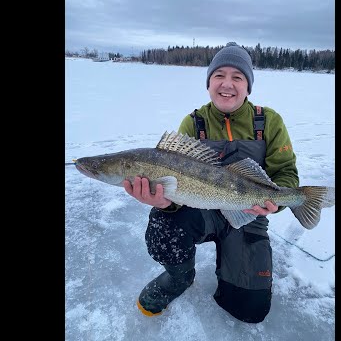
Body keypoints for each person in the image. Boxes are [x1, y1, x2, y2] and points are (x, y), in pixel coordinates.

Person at [123, 41, 299, 323]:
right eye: (219, 75)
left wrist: (274, 205)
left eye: (237, 77)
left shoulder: (268, 121)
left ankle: (235, 268)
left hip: (246, 213)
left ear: (248, 85)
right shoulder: (194, 123)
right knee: (163, 224)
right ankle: (180, 276)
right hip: (200, 210)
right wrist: (165, 204)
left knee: (250, 310)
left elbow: (286, 172)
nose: (226, 84)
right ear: (208, 83)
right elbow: (175, 187)